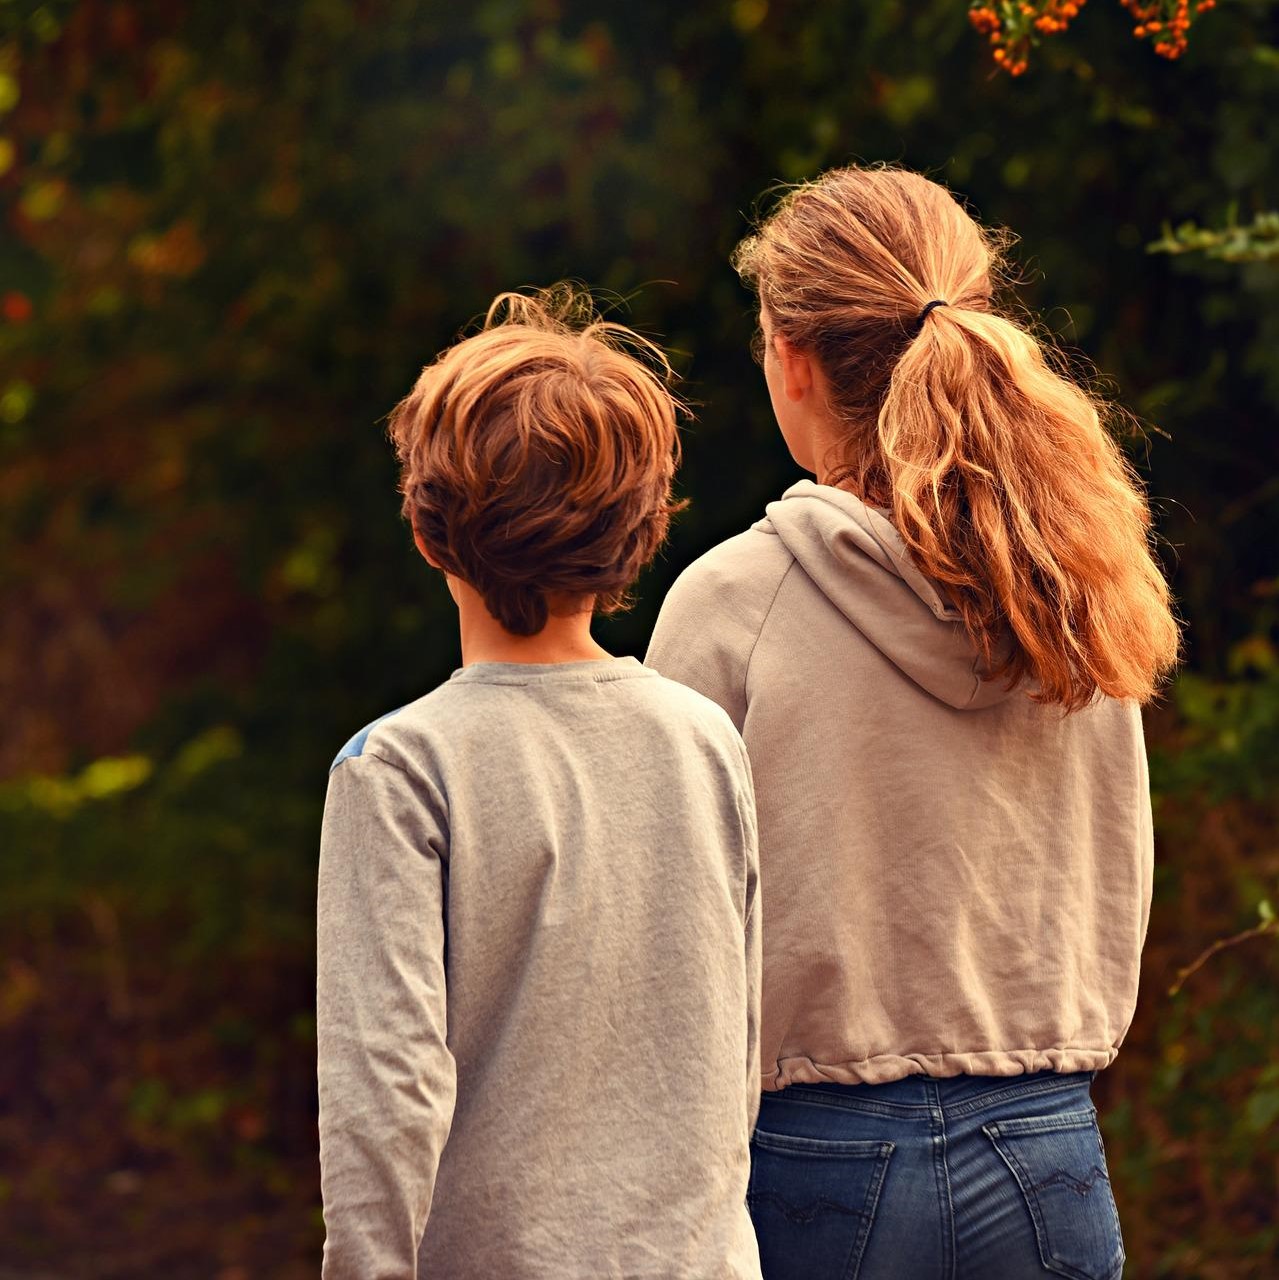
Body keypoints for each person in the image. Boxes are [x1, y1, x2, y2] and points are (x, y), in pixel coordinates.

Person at [646, 166, 1180, 1280]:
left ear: (790, 358)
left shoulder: (732, 602)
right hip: (1048, 1147)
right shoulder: (1082, 580)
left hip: (813, 1157)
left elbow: (668, 932)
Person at [316, 287, 763, 1279]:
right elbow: (730, 1048)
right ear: (639, 534)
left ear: (428, 533)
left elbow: (381, 1089)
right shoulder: (704, 739)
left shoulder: (396, 768)